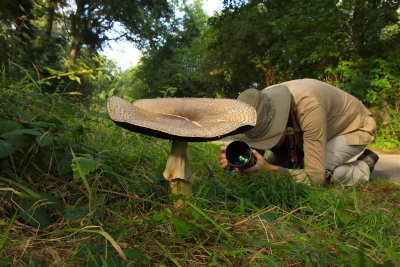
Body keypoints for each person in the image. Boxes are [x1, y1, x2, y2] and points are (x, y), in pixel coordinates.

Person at [219, 79, 379, 186]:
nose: (264, 145)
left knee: (327, 175)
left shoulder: (309, 107)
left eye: (267, 139)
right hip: (307, 132)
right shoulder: (261, 102)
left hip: (352, 127)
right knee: (282, 167)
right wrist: (239, 162)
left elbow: (315, 176)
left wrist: (271, 170)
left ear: (279, 123)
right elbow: (256, 152)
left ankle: (363, 166)